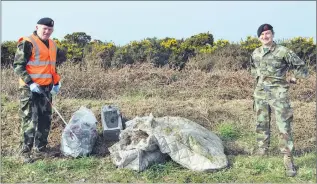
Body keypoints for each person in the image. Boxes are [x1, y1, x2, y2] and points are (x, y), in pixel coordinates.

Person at [249, 23, 309, 177]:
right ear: (259, 37)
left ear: (272, 35)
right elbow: (253, 69)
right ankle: (262, 149)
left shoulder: (283, 51)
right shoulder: (255, 53)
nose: (265, 36)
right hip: (260, 94)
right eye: (262, 35)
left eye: (267, 33)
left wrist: (293, 78)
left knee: (284, 126)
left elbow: (301, 67)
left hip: (279, 94)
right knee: (261, 123)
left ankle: (288, 157)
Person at [13, 17, 62, 163]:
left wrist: (56, 83)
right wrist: (30, 83)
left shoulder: (52, 44)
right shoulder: (27, 42)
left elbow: (51, 67)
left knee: (45, 119)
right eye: (44, 28)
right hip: (30, 89)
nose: (47, 31)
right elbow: (18, 66)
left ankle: (41, 149)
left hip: (46, 88)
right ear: (37, 27)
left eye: (50, 29)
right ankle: (25, 153)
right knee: (29, 120)